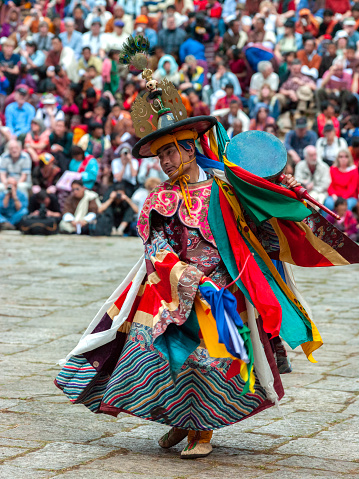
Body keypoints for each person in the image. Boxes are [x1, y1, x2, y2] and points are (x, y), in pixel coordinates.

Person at [57, 64, 359, 461]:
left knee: (210, 361)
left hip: (224, 289)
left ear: (189, 148)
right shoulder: (160, 199)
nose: (165, 161)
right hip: (175, 289)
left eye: (170, 151)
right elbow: (155, 247)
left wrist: (281, 198)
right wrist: (181, 274)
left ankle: (202, 429)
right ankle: (180, 420)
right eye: (160, 155)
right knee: (162, 357)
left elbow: (260, 230)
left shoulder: (227, 186)